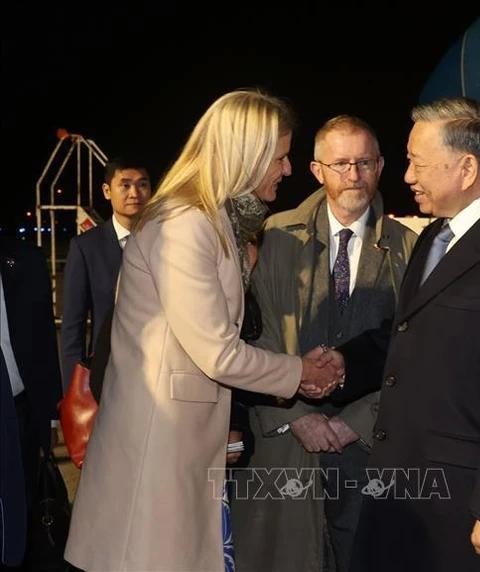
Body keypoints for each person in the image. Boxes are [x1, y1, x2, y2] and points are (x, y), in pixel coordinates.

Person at [63, 89, 341, 572]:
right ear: (244, 155)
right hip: (158, 452)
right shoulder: (185, 224)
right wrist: (300, 372)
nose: (287, 169)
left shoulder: (211, 222)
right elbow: (217, 352)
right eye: (279, 156)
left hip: (179, 448)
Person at [330, 97, 480, 571]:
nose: (407, 176)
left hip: (464, 508)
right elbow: (412, 334)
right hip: (400, 493)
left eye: (417, 163)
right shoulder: (432, 239)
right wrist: (342, 364)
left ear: (465, 167)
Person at [232, 115, 417, 572]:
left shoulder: (411, 250)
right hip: (285, 449)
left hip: (369, 449)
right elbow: (253, 336)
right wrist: (296, 415)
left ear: (381, 165)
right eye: (340, 164)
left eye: (364, 162)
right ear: (316, 171)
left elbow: (412, 350)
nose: (353, 175)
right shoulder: (274, 238)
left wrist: (357, 420)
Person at [60, 157, 152, 388]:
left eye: (143, 184)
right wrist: (74, 389)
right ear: (107, 191)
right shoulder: (85, 248)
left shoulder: (168, 242)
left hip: (159, 373)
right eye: (125, 185)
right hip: (108, 376)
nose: (135, 193)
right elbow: (73, 326)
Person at [0, 237, 62, 568]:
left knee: (19, 505)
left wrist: (50, 417)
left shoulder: (23, 258)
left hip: (19, 409)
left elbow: (43, 342)